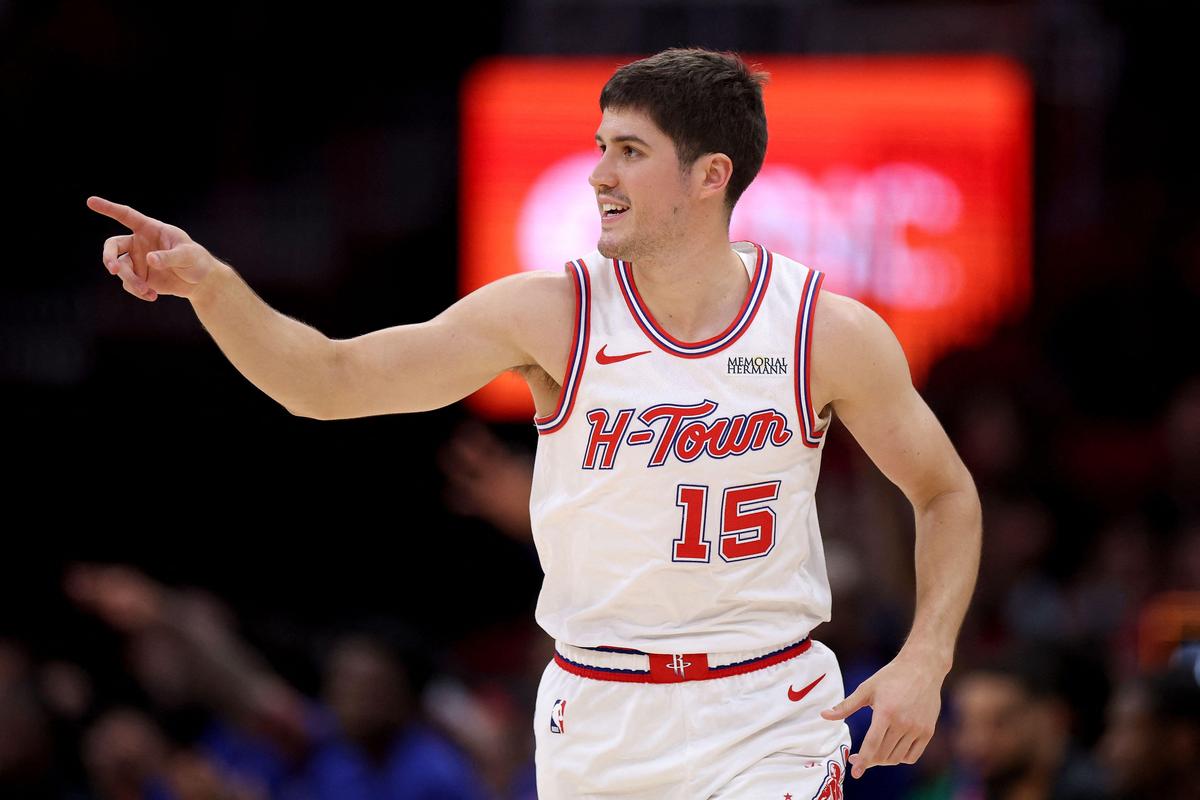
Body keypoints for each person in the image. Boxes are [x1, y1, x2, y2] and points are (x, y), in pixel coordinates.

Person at [87, 45, 982, 799]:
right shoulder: (549, 313)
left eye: (629, 150)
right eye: (600, 146)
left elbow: (944, 491)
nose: (598, 173)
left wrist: (926, 656)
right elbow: (327, 380)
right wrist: (208, 285)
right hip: (594, 715)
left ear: (710, 176)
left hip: (767, 712)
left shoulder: (825, 329)